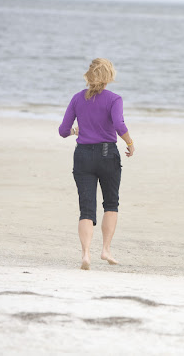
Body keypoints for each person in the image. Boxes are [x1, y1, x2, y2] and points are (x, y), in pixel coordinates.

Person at [58, 58, 135, 270]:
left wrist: (75, 131)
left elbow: (63, 130)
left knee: (86, 209)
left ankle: (85, 254)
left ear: (89, 76)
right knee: (111, 204)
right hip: (107, 154)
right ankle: (106, 250)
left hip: (82, 155)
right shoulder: (114, 99)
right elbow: (119, 124)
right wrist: (130, 142)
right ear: (109, 77)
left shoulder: (77, 99)